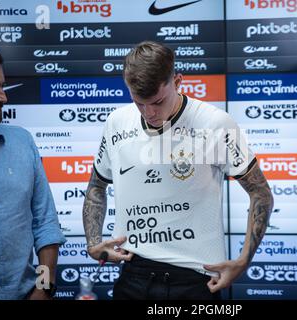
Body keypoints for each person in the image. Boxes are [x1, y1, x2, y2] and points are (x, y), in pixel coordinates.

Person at [83, 41, 273, 300]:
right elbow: (97, 185)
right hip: (133, 275)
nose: (149, 113)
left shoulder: (215, 123)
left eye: (158, 102)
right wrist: (93, 241)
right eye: (139, 103)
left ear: (178, 81)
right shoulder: (117, 122)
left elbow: (261, 193)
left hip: (195, 279)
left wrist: (243, 261)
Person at [0, 46, 66, 300]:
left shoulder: (22, 142)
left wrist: (45, 287)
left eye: (2, 86)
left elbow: (45, 224)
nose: (3, 97)